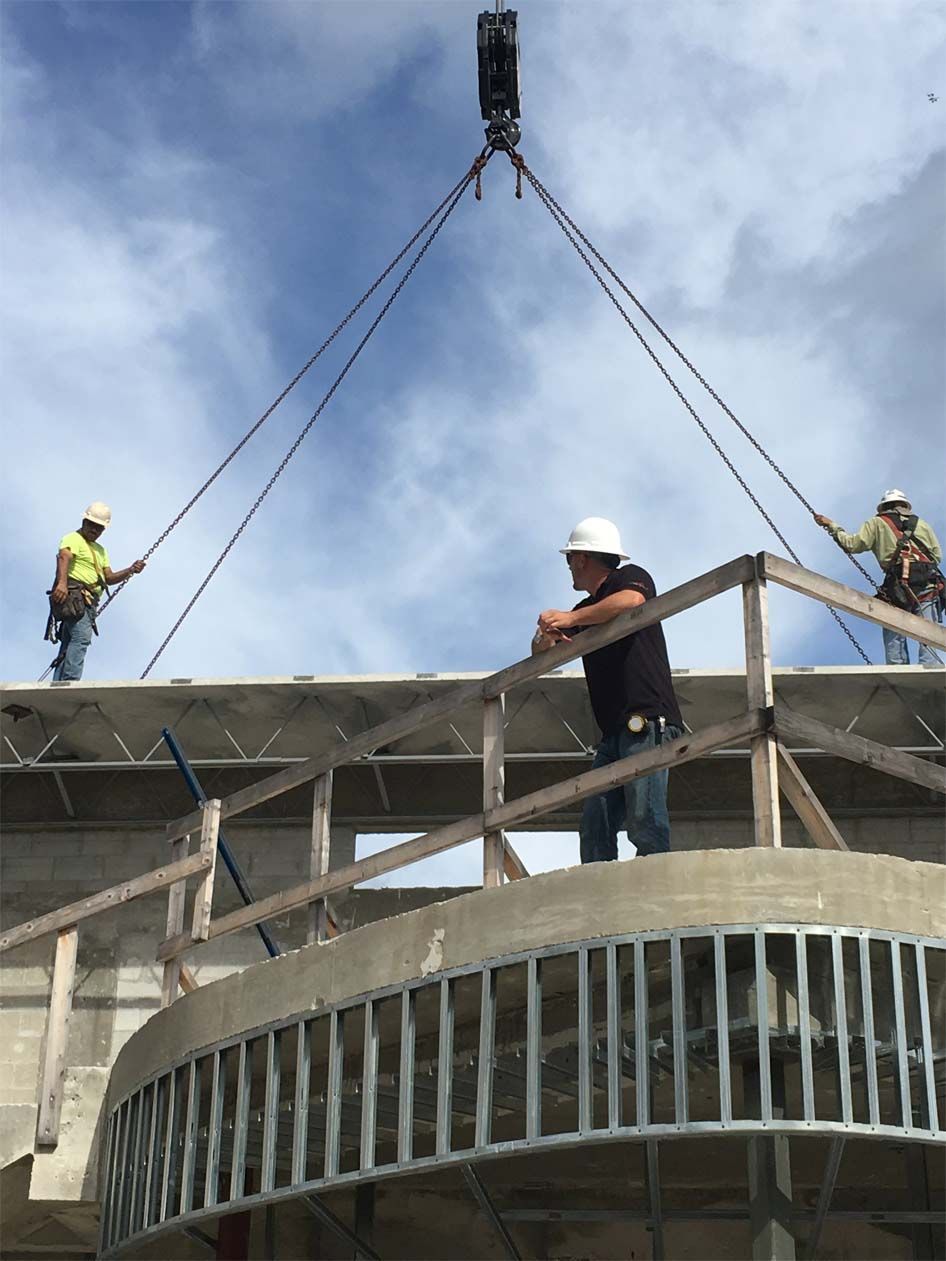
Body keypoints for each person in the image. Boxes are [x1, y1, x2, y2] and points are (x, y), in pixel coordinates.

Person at [532, 517, 684, 863]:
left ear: (582, 558)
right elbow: (542, 654)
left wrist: (568, 620)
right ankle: (600, 898)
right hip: (614, 733)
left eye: (570, 559)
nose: (569, 567)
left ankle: (655, 885)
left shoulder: (630, 578)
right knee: (595, 824)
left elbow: (630, 601)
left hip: (646, 720)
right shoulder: (585, 611)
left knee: (645, 819)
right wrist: (546, 635)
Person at [814, 490, 943, 666]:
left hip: (898, 583)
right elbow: (936, 556)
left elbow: (852, 544)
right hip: (927, 580)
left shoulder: (876, 523)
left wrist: (831, 525)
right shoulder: (922, 524)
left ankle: (897, 668)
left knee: (893, 625)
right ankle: (931, 666)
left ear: (884, 507)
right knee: (928, 629)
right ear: (904, 506)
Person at [46, 503, 146, 681]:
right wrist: (61, 584)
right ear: (84, 521)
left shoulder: (100, 551)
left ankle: (59, 682)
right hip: (75, 595)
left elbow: (108, 577)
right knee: (81, 638)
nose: (95, 530)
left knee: (70, 642)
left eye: (99, 528)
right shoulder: (73, 538)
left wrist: (130, 570)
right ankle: (70, 681)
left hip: (88, 601)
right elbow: (64, 557)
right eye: (92, 525)